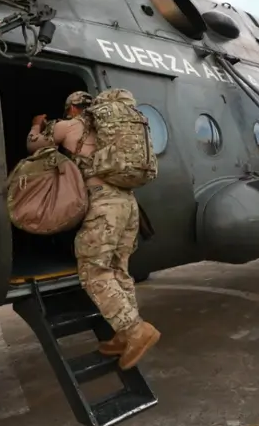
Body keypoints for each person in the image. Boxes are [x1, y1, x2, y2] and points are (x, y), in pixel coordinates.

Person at [26, 91, 160, 370]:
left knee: (93, 271)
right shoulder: (109, 127)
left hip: (103, 202)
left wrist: (37, 125)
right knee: (119, 270)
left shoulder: (69, 125)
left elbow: (34, 146)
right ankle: (124, 334)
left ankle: (136, 330)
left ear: (73, 108)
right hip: (129, 203)